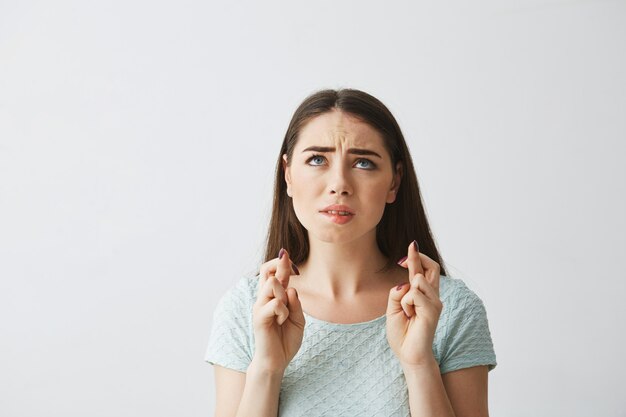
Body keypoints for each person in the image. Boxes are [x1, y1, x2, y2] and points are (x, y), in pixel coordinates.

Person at [204, 88, 497, 417]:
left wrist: (419, 364)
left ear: (394, 182)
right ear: (287, 174)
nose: (339, 184)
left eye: (363, 163)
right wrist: (267, 368)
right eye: (317, 160)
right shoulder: (247, 308)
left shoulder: (450, 309)